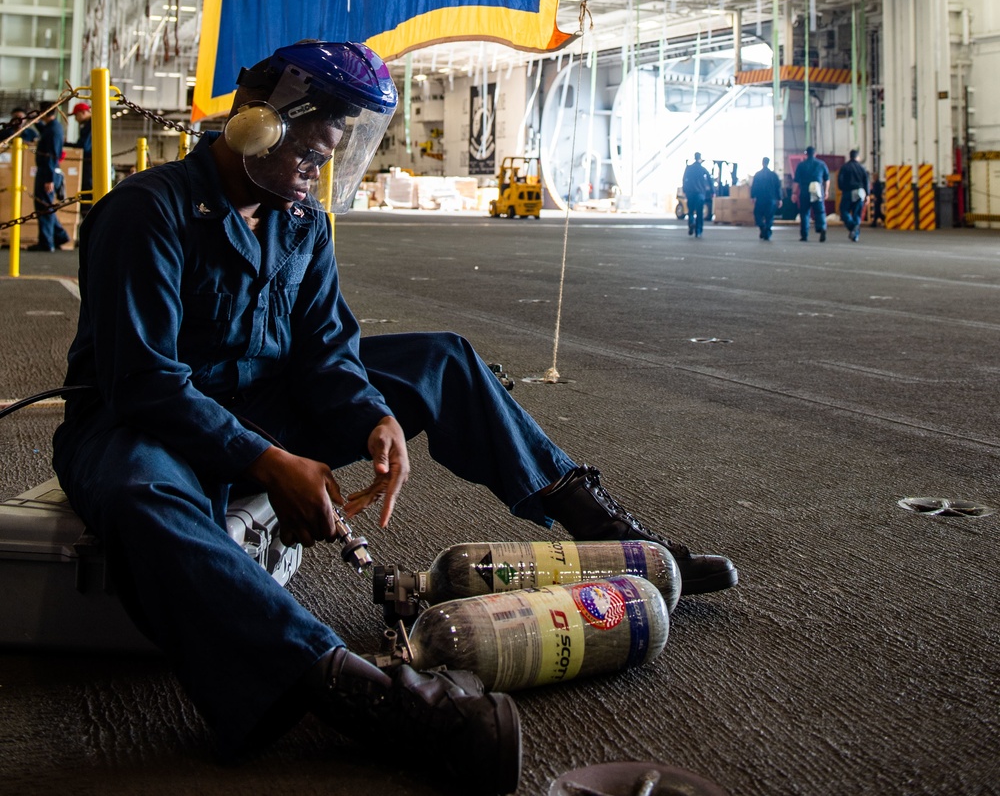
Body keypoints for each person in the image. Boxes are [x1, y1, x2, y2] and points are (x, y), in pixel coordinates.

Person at [53, 41, 736, 791]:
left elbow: (325, 354)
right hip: (139, 422)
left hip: (262, 403)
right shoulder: (146, 213)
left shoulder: (300, 222)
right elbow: (145, 382)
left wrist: (373, 413)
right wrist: (267, 460)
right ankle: (368, 696)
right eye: (310, 154)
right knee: (141, 496)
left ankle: (615, 537)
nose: (319, 172)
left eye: (328, 158)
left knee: (440, 356)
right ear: (255, 124)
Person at [29, 103, 70, 252]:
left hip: (48, 172)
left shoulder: (53, 130)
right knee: (45, 207)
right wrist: (36, 123)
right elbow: (44, 132)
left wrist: (49, 179)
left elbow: (52, 156)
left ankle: (46, 243)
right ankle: (60, 236)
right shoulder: (52, 127)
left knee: (44, 208)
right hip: (47, 171)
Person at [794, 145, 830, 243]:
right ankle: (822, 228)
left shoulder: (801, 165)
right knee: (819, 211)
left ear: (806, 154)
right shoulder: (822, 164)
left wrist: (794, 193)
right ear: (815, 154)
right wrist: (826, 191)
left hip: (805, 190)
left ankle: (804, 235)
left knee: (804, 213)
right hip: (817, 190)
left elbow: (796, 181)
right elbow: (827, 180)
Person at [838, 149, 869, 242]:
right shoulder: (862, 168)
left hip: (848, 191)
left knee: (844, 211)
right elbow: (866, 181)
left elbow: (840, 180)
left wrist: (842, 189)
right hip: (860, 192)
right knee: (857, 213)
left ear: (850, 156)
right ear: (858, 157)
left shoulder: (845, 167)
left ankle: (852, 226)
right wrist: (867, 195)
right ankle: (855, 235)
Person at [682, 152, 714, 238]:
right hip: (700, 194)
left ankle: (691, 222)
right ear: (700, 159)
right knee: (699, 213)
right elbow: (710, 180)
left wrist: (684, 190)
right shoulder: (703, 169)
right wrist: (712, 192)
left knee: (691, 211)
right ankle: (698, 231)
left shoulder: (688, 168)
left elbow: (684, 179)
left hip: (690, 193)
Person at [750, 156, 782, 241]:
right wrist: (779, 199)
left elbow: (754, 187)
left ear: (762, 162)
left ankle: (762, 227)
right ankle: (767, 232)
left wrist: (752, 197)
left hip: (760, 199)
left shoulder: (758, 175)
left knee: (757, 215)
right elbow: (778, 187)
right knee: (769, 216)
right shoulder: (773, 175)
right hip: (771, 199)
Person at [71, 101, 93, 200]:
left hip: (89, 163)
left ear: (83, 112)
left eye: (76, 115)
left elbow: (84, 146)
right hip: (89, 162)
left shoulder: (92, 124)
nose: (75, 119)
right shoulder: (88, 124)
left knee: (87, 189)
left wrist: (67, 144)